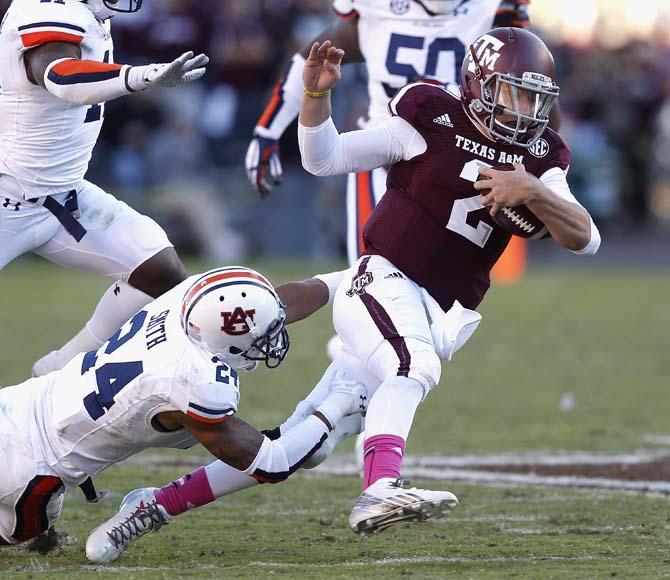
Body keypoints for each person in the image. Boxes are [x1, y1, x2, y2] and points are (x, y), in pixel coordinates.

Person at [293, 28, 600, 537]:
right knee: (413, 366)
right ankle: (379, 488)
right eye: (515, 93)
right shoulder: (430, 115)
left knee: (301, 446)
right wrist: (316, 96)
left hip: (440, 311)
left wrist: (531, 190)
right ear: (480, 85)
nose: (526, 109)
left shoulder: (542, 153)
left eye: (536, 98)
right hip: (385, 283)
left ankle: (159, 501)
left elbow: (585, 237)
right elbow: (324, 159)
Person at [0, 266, 368, 555]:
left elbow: (268, 306)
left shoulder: (191, 301)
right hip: (32, 471)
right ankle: (150, 507)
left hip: (17, 403)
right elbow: (271, 464)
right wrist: (339, 403)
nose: (270, 340)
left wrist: (351, 277)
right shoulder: (194, 381)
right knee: (26, 529)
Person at [0, 0, 207, 376]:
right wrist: (139, 77)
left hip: (63, 195)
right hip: (8, 194)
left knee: (158, 271)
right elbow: (61, 77)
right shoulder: (50, 11)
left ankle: (60, 370)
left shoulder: (85, 13)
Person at [246, 0, 536, 265]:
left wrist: (535, 162)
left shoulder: (490, 9)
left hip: (454, 158)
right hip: (382, 149)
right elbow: (313, 58)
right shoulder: (377, 8)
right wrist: (268, 128)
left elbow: (528, 82)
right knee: (367, 274)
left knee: (442, 280)